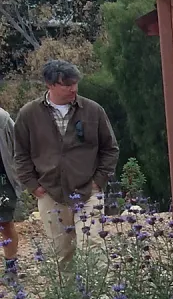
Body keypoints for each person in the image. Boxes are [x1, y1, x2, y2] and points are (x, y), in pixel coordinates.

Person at [12, 59, 119, 263]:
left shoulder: (93, 110)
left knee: (93, 247)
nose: (73, 88)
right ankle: (68, 295)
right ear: (50, 84)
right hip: (51, 193)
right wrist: (34, 187)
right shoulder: (28, 114)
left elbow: (110, 148)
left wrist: (99, 180)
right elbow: (21, 154)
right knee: (61, 253)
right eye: (67, 84)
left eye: (75, 82)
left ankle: (99, 295)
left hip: (88, 191)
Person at [0, 104, 18, 280]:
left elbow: (17, 146)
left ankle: (11, 268)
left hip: (2, 179)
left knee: (5, 223)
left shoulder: (2, 118)